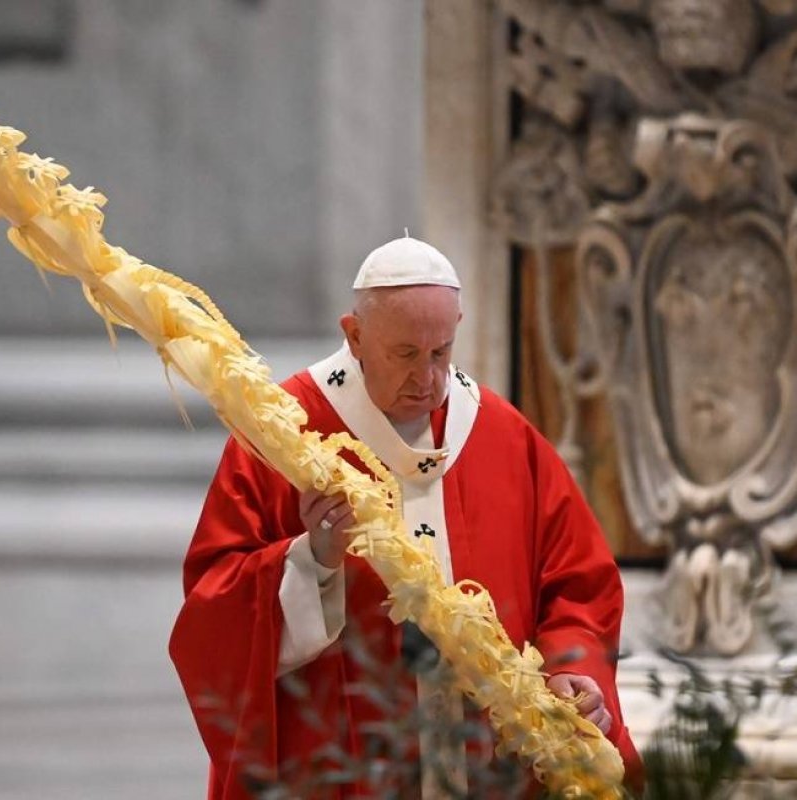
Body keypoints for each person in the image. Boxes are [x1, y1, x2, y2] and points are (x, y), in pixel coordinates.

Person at [169, 236, 642, 798]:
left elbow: (577, 587)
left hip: (486, 769)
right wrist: (312, 560)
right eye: (405, 355)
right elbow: (214, 612)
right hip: (341, 769)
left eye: (441, 352)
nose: (427, 380)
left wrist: (573, 670)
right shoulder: (283, 430)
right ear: (355, 335)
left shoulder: (502, 435)